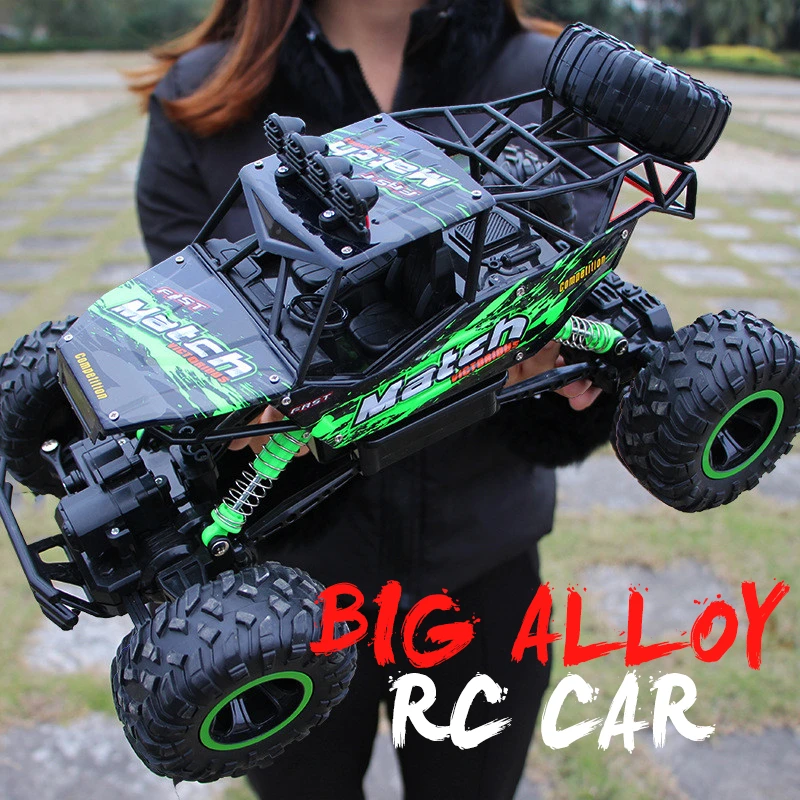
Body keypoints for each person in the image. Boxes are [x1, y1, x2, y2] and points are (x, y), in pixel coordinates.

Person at [128, 2, 617, 798]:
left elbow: (582, 300)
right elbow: (179, 321)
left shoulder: (551, 80)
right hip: (284, 594)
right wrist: (227, 411)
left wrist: (551, 363)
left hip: (481, 575)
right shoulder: (206, 94)